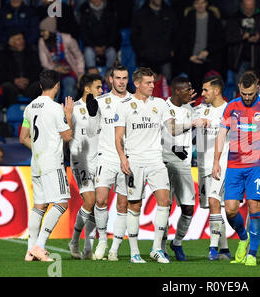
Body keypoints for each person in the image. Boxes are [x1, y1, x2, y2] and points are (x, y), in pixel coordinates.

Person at [212, 71, 260, 266]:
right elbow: (221, 134)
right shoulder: (231, 107)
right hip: (234, 166)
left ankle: (252, 254)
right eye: (244, 94)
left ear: (257, 88)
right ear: (239, 90)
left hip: (256, 166)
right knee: (231, 211)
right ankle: (243, 238)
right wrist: (216, 161)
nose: (248, 98)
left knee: (254, 207)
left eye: (250, 94)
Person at [114, 67, 182, 264]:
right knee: (134, 204)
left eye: (153, 82)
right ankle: (135, 252)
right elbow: (118, 137)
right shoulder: (124, 105)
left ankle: (156, 249)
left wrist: (191, 123)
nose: (153, 86)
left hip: (155, 160)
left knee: (165, 201)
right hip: (134, 160)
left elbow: (172, 129)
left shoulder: (160, 104)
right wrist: (122, 158)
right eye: (148, 83)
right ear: (137, 84)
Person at [19, 69, 74, 262]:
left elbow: (22, 137)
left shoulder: (30, 107)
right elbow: (67, 136)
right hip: (52, 162)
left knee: (39, 206)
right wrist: (68, 115)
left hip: (37, 163)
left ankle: (29, 250)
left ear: (41, 85)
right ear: (57, 85)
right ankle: (39, 246)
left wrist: (38, 149)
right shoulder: (55, 108)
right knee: (61, 202)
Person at [85, 63, 130, 261]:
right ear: (110, 79)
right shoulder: (101, 101)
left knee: (123, 204)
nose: (121, 82)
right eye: (118, 78)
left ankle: (115, 248)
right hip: (106, 157)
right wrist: (93, 113)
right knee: (101, 199)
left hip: (128, 159)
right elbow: (92, 129)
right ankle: (102, 239)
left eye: (124, 78)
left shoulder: (134, 101)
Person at [161, 76, 200, 261]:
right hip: (166, 162)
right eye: (187, 89)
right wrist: (191, 123)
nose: (190, 92)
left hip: (184, 164)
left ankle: (176, 243)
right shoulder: (163, 108)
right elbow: (170, 131)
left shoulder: (188, 108)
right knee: (165, 208)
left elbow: (199, 123)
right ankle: (160, 246)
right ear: (177, 91)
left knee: (188, 208)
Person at [194, 75, 231, 261]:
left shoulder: (230, 111)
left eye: (205, 90)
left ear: (217, 91)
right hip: (203, 166)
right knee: (214, 207)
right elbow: (178, 127)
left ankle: (213, 248)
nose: (202, 94)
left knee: (215, 202)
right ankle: (224, 249)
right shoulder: (200, 110)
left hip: (222, 165)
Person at [67, 73, 103, 260]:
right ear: (87, 88)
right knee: (89, 201)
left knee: (98, 203)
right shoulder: (73, 108)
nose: (101, 90)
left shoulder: (103, 106)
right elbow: (64, 134)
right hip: (80, 159)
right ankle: (74, 241)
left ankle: (88, 247)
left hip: (100, 160)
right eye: (98, 87)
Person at [178, 0, 225, 95]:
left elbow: (220, 40)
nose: (200, 5)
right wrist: (189, 56)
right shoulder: (187, 19)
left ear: (207, 3)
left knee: (209, 93)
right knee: (194, 93)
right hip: (192, 61)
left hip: (210, 61)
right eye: (197, 3)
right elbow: (181, 40)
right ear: (193, 5)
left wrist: (208, 51)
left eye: (202, 2)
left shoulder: (214, 19)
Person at [225, 0, 260, 87]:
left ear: (255, 6)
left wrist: (259, 38)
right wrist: (241, 37)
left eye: (251, 8)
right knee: (240, 89)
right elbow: (227, 37)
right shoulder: (234, 18)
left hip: (258, 61)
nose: (249, 10)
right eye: (247, 8)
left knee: (257, 89)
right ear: (242, 6)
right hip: (239, 62)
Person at [38, 17, 85, 102]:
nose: (41, 34)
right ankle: (52, 112)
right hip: (52, 73)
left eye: (43, 31)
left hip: (69, 71)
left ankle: (67, 111)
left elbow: (78, 56)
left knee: (69, 87)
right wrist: (56, 69)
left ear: (51, 30)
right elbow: (44, 62)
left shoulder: (67, 39)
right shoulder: (42, 42)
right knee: (53, 91)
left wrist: (80, 73)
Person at [131, 0, 177, 83]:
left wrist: (173, 49)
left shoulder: (169, 12)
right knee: (146, 86)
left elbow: (175, 33)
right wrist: (141, 52)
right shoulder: (140, 14)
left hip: (165, 57)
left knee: (167, 85)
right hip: (146, 58)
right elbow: (134, 36)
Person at [0, 30, 42, 107]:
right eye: (18, 39)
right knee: (7, 87)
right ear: (10, 42)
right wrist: (14, 80)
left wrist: (28, 80)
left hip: (29, 85)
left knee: (39, 85)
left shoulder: (31, 53)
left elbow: (38, 70)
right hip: (12, 85)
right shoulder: (1, 55)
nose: (22, 41)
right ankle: (10, 114)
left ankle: (37, 115)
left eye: (22, 39)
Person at [79, 0, 120, 69]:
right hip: (91, 46)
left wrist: (105, 46)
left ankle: (110, 76)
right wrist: (94, 47)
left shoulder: (110, 9)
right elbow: (84, 34)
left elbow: (114, 32)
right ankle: (92, 76)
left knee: (112, 52)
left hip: (107, 45)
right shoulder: (84, 10)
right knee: (88, 53)